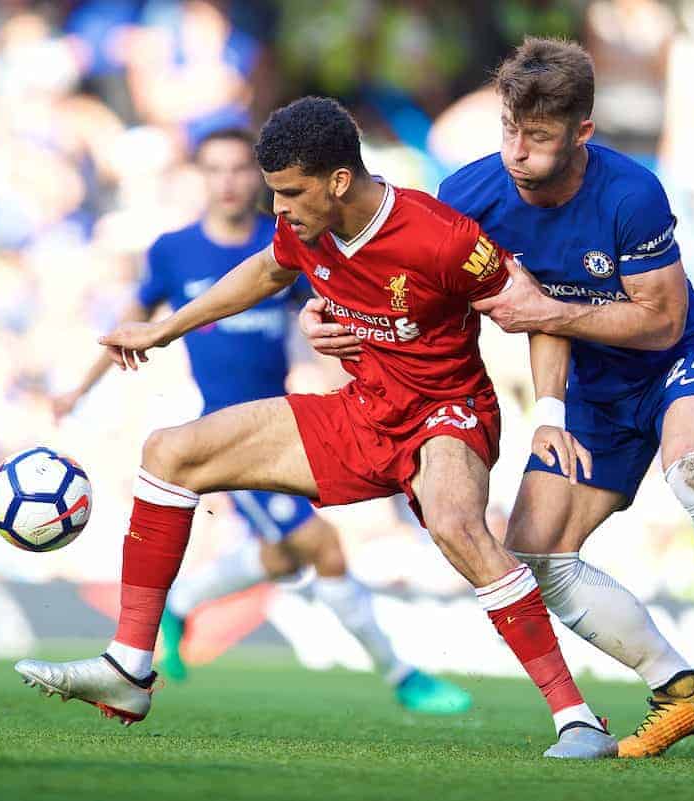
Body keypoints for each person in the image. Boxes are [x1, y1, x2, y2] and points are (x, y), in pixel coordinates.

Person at [15, 96, 617, 759]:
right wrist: (163, 328)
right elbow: (266, 271)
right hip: (363, 411)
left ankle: (577, 716)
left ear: (337, 180)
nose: (277, 209)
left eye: (289, 193)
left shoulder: (439, 235)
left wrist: (549, 416)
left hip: (447, 410)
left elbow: (537, 312)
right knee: (169, 451)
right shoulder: (303, 226)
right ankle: (130, 666)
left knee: (453, 523)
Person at [300, 38, 694, 765]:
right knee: (534, 550)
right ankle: (680, 688)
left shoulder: (631, 192)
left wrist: (548, 313)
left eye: (539, 137)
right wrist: (333, 314)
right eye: (508, 131)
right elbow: (404, 287)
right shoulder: (470, 195)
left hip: (680, 360)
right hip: (589, 386)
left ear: (581, 132)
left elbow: (662, 320)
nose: (518, 152)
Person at [52, 127, 471, 714]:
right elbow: (131, 324)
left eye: (238, 169)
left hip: (283, 425)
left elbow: (336, 306)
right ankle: (404, 679)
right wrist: (78, 389)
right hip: (227, 429)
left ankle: (182, 602)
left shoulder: (290, 236)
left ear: (257, 177)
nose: (228, 182)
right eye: (215, 169)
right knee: (320, 546)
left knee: (285, 554)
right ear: (200, 177)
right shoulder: (174, 251)